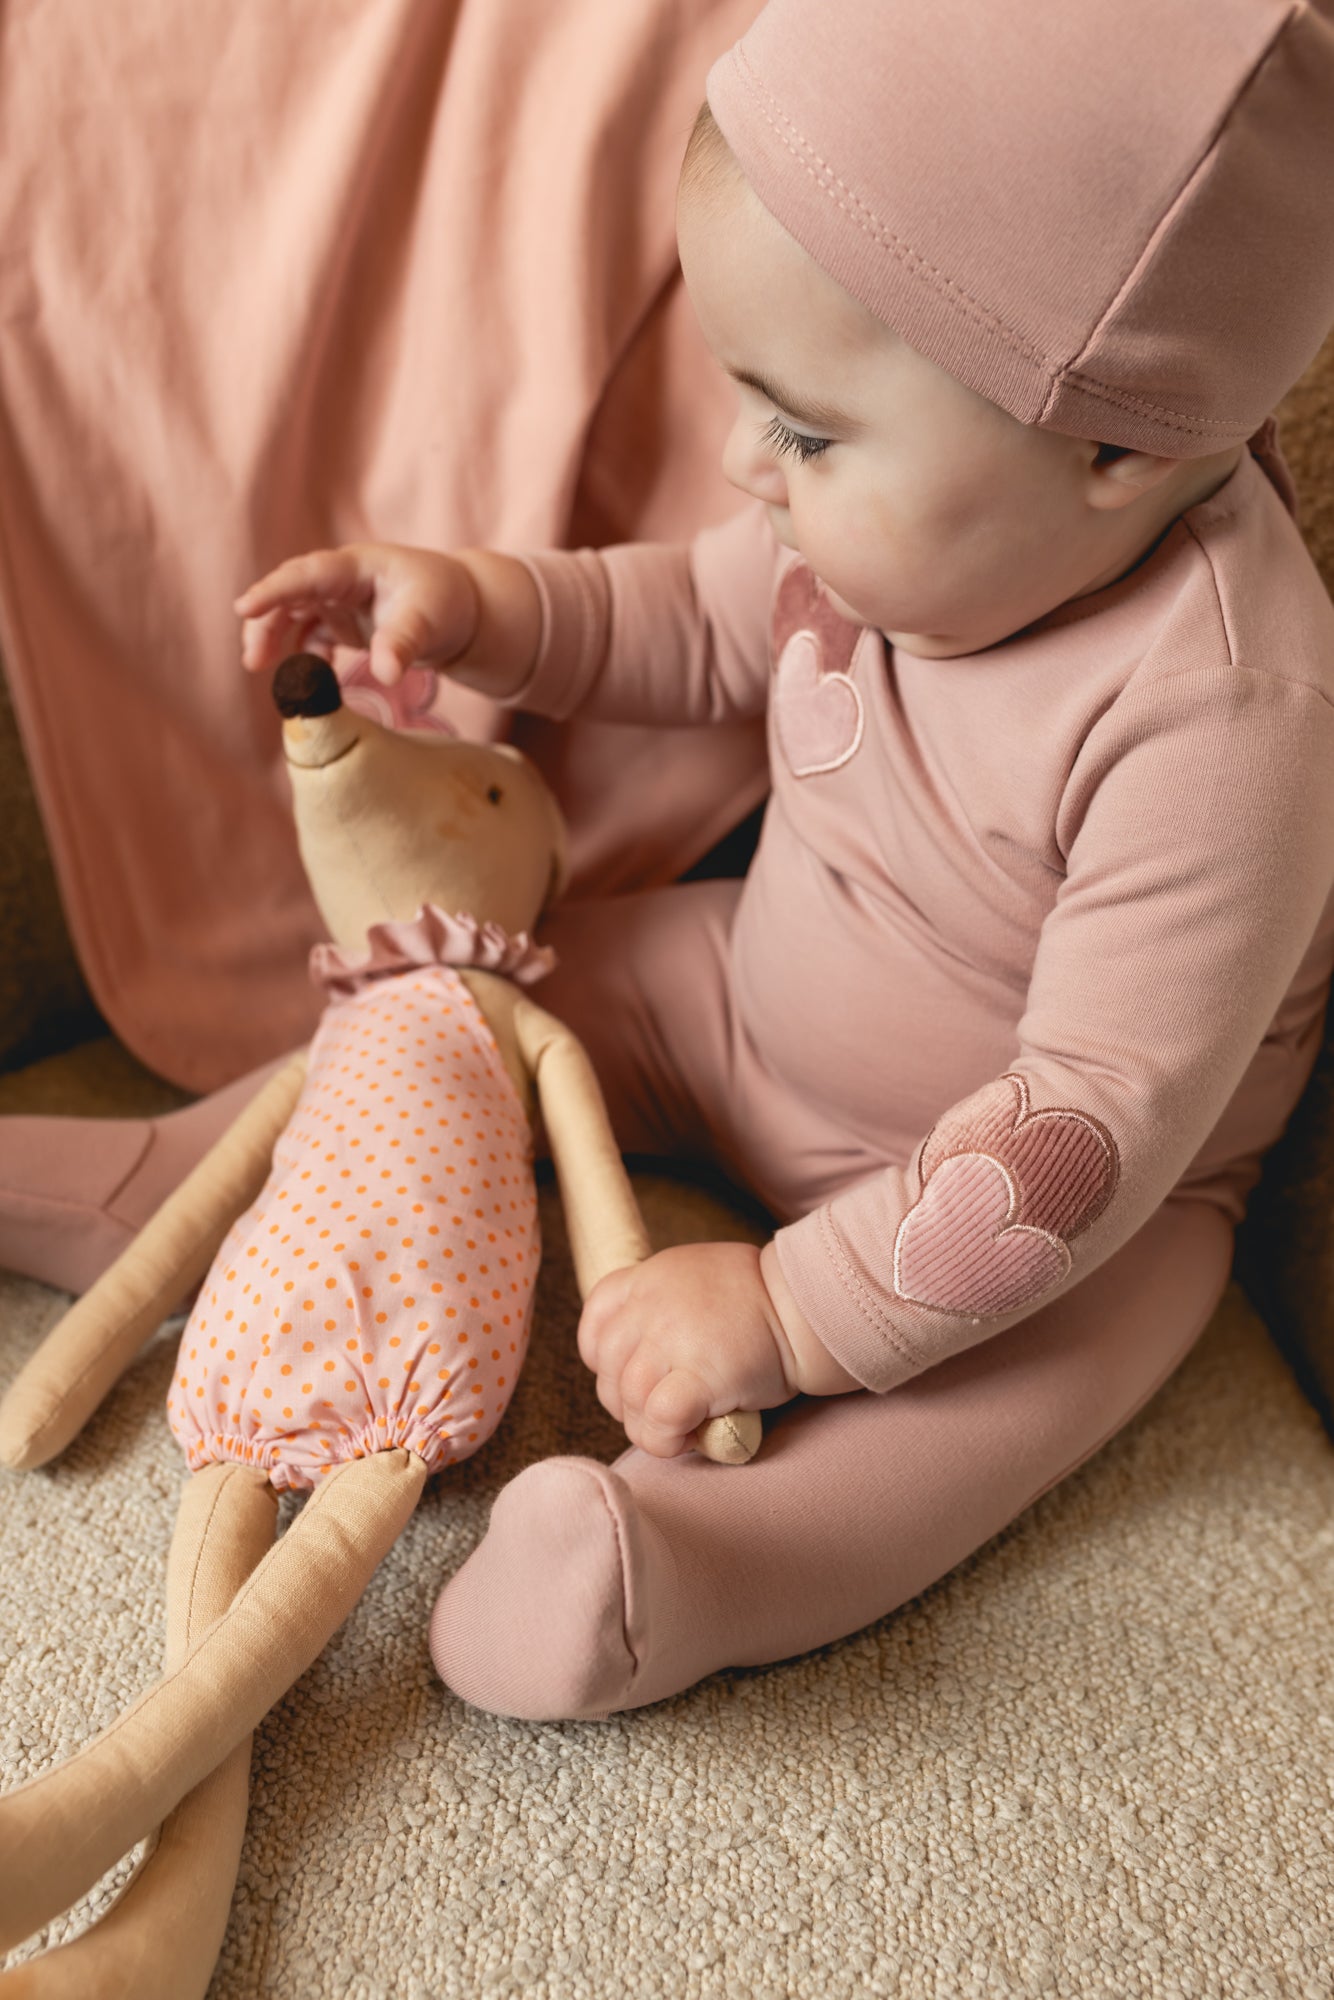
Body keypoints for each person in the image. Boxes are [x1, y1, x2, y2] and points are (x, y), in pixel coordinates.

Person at [6, 0, 1334, 1721]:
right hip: (734, 995)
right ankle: (172, 1185)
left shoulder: (1225, 711)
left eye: (803, 432)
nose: (741, 470)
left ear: (1112, 452)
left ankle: (678, 1575)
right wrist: (483, 606)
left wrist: (790, 1312)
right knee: (461, 1003)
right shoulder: (877, 532)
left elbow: (1088, 1129)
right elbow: (686, 618)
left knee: (974, 1425)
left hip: (1038, 1209)